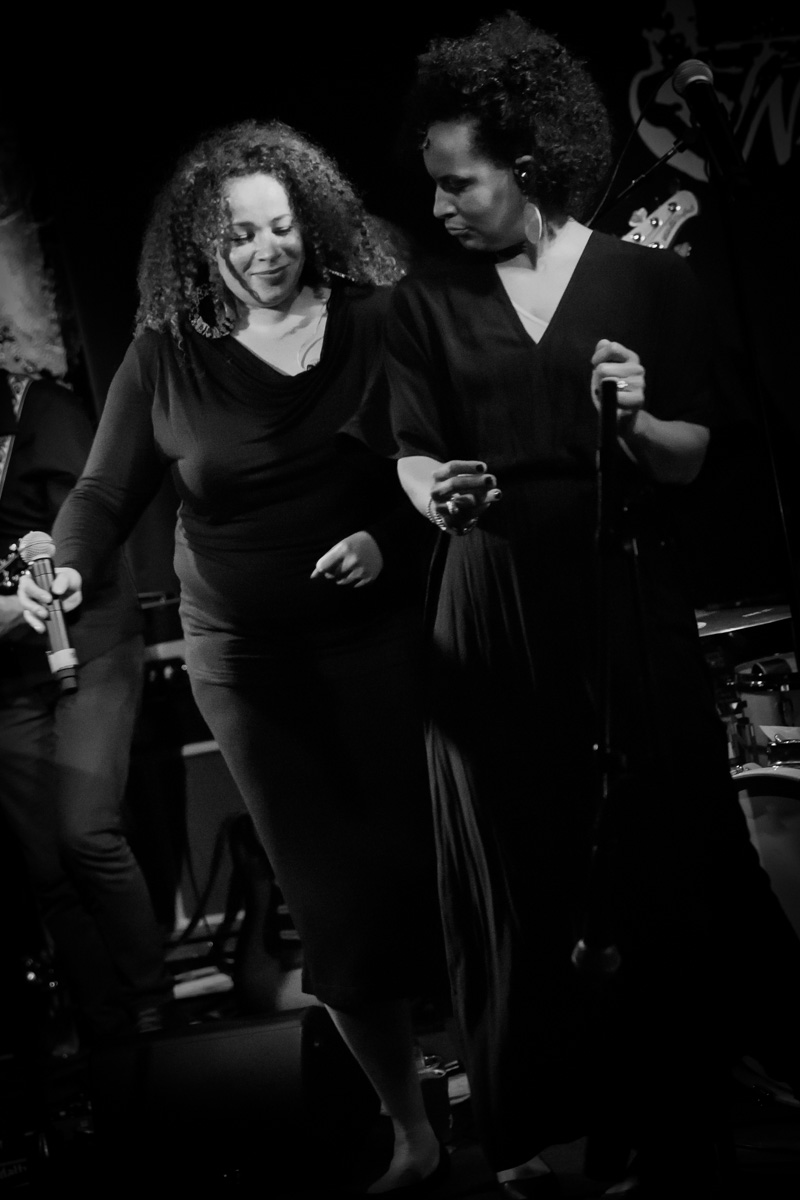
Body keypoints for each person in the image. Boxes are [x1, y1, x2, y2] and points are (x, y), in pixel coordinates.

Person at [380, 13, 800, 1199]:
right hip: (489, 599)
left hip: (619, 586)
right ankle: (550, 1118)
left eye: (459, 182)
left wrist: (630, 419)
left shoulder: (647, 280)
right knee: (524, 863)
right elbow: (409, 454)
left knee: (662, 847)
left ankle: (677, 1104)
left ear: (528, 166)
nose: (439, 205)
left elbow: (687, 455)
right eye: (433, 183)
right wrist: (437, 493)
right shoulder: (424, 300)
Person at [18, 119, 446, 1194]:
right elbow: (103, 491)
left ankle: (503, 1086)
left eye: (281, 227)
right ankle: (411, 1129)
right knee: (332, 903)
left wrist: (385, 540)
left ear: (315, 222)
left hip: (388, 639)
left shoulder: (378, 319)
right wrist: (68, 568)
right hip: (250, 664)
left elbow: (442, 460)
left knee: (437, 873)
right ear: (200, 248)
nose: (265, 251)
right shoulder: (166, 357)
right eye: (239, 235)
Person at [0, 367, 174, 1050]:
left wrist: (50, 582)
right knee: (45, 865)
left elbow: (96, 514)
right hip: (8, 671)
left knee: (85, 832)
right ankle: (107, 1035)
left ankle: (153, 1010)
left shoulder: (41, 410)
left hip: (89, 639)